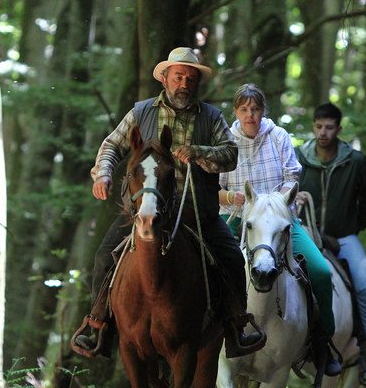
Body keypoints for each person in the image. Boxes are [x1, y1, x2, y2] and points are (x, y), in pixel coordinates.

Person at [71, 47, 265, 359]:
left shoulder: (212, 118)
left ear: (196, 83)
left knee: (231, 258)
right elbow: (112, 145)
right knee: (104, 255)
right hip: (143, 208)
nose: (184, 83)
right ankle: (97, 324)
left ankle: (236, 325)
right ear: (165, 78)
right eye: (178, 76)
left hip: (195, 210)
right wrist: (102, 174)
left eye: (190, 78)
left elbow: (230, 154)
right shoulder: (141, 112)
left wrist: (200, 152)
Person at [218, 83, 342, 377]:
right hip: (237, 216)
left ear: (263, 111)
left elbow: (292, 176)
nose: (250, 115)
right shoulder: (224, 140)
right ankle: (194, 336)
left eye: (255, 108)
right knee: (199, 265)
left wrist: (279, 201)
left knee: (321, 272)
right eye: (244, 109)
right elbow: (215, 188)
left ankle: (322, 342)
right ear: (236, 111)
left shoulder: (278, 137)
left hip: (279, 220)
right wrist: (230, 198)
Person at [294, 102, 366, 387]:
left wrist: (351, 227)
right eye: (319, 126)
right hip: (306, 232)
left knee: (365, 283)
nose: (323, 133)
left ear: (339, 129)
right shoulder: (298, 158)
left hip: (344, 237)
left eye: (329, 127)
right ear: (313, 126)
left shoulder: (355, 161)